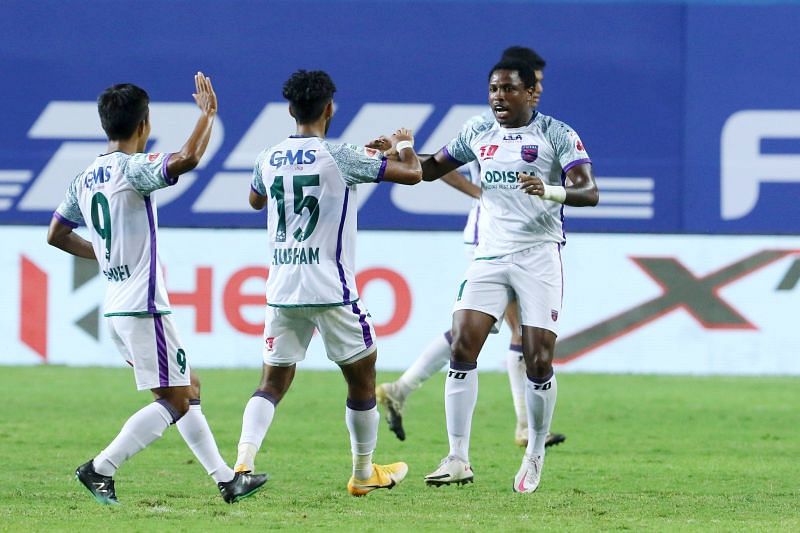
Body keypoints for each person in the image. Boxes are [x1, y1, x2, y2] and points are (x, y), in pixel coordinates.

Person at [47, 74, 268, 505]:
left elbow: (55, 234)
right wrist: (207, 116)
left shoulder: (85, 177)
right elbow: (186, 159)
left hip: (115, 307)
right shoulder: (133, 168)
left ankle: (227, 480)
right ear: (144, 125)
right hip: (142, 307)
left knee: (188, 388)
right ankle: (101, 467)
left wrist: (106, 255)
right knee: (178, 400)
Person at [233, 69, 422, 497]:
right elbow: (411, 173)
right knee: (362, 381)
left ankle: (243, 462)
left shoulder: (268, 157)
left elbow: (255, 198)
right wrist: (401, 143)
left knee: (272, 383)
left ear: (290, 110)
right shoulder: (340, 156)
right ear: (329, 108)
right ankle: (362, 473)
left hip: (282, 289)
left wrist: (360, 157)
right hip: (331, 290)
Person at [420, 58, 599, 493]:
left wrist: (550, 189)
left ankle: (535, 450)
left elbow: (589, 192)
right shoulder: (477, 131)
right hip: (489, 255)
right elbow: (429, 169)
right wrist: (396, 154)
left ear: (530, 93)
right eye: (494, 89)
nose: (499, 96)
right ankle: (457, 456)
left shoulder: (558, 134)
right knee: (463, 342)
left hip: (539, 256)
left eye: (508, 89)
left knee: (538, 358)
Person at [376, 46, 566, 450]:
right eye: (536, 83)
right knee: (498, 330)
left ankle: (403, 388)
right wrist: (477, 192)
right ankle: (520, 427)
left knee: (489, 329)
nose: (538, 91)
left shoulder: (543, 132)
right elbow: (436, 169)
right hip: (492, 237)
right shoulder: (483, 127)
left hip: (515, 237)